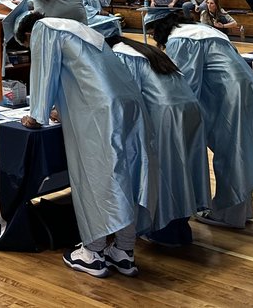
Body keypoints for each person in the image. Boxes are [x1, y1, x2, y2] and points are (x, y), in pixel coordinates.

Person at [16, 14, 155, 278]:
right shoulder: (79, 28)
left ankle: (93, 252)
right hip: (127, 104)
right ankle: (124, 251)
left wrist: (37, 115)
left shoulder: (43, 29)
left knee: (96, 176)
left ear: (27, 35)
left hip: (99, 111)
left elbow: (44, 72)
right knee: (126, 175)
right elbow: (83, 76)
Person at [151, 16, 253, 228]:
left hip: (230, 94)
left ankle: (227, 214)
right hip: (250, 88)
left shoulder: (181, 39)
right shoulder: (209, 32)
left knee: (229, 153)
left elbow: (185, 83)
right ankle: (242, 210)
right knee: (242, 150)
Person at [107, 34, 210, 246]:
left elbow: (125, 96)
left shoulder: (120, 55)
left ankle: (165, 230)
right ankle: (181, 225)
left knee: (163, 170)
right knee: (183, 168)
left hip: (164, 112)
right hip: (188, 107)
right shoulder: (147, 52)